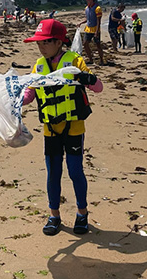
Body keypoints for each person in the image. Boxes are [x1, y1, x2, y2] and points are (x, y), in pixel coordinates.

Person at [21, 19, 103, 236]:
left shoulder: (75, 61)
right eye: (38, 43)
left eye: (45, 42)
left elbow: (98, 87)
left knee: (75, 172)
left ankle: (82, 213)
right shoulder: (39, 65)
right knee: (53, 173)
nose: (41, 47)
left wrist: (88, 78)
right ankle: (54, 215)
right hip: (51, 130)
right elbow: (29, 95)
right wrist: (13, 98)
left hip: (74, 127)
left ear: (59, 42)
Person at [80, 0, 105, 65]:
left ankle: (101, 60)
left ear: (92, 0)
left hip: (95, 29)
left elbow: (98, 21)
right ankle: (90, 59)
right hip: (88, 28)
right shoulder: (86, 8)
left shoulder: (97, 8)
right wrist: (81, 23)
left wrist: (97, 31)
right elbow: (87, 19)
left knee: (98, 45)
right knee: (85, 43)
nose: (87, 0)